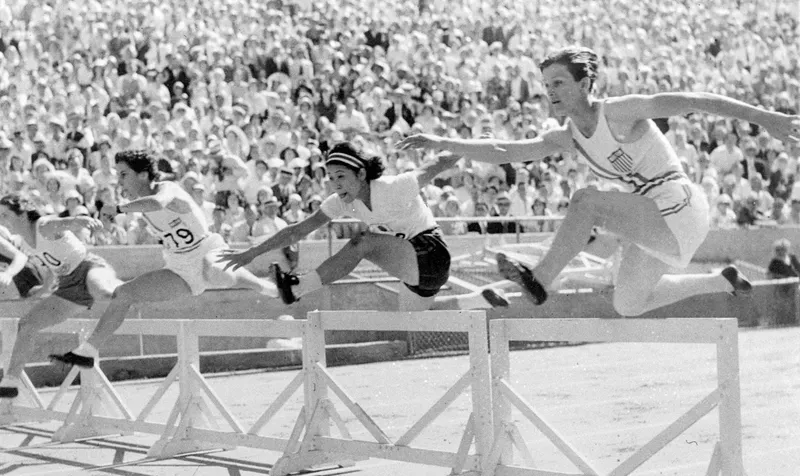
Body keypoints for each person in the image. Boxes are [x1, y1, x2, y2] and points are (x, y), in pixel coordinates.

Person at [400, 46, 800, 316]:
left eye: (558, 83)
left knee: (587, 201)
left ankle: (540, 279)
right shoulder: (567, 136)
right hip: (654, 220)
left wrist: (768, 119)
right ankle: (719, 279)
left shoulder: (621, 112)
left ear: (584, 83)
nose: (550, 92)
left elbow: (695, 101)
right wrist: (440, 140)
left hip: (679, 206)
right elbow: (506, 150)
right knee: (628, 303)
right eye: (546, 85)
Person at [49, 150, 278, 369]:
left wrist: (119, 208)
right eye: (118, 175)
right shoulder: (141, 205)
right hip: (179, 266)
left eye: (124, 174)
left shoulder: (166, 188)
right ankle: (87, 352)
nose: (119, 181)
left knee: (214, 272)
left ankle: (268, 287)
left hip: (207, 249)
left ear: (143, 174)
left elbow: (158, 202)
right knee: (124, 294)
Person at [217, 142, 508, 311]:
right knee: (419, 313)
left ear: (360, 173)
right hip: (414, 266)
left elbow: (441, 162)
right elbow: (297, 230)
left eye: (341, 176)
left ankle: (299, 287)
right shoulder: (343, 201)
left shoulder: (394, 186)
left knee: (364, 241)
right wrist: (250, 254)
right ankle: (477, 299)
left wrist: (480, 143)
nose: (336, 184)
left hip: (431, 252)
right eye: (331, 177)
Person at [0, 194, 123, 398]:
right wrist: (42, 291)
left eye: (5, 215)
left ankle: (132, 290)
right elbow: (50, 268)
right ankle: (11, 380)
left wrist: (84, 220)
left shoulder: (43, 225)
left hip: (88, 267)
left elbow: (67, 222)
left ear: (22, 214)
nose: (3, 221)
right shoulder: (25, 241)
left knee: (104, 293)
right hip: (67, 286)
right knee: (27, 324)